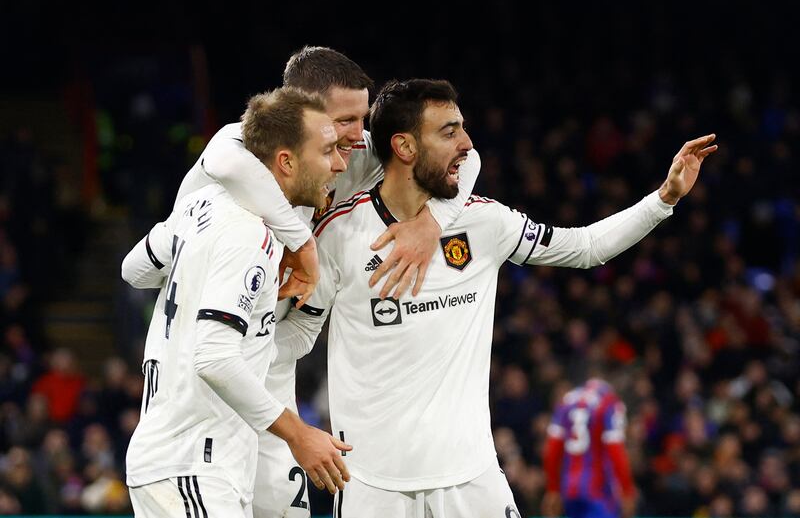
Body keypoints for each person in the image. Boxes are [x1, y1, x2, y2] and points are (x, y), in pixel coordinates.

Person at [274, 78, 717, 517]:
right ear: (405, 148)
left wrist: (665, 198)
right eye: (449, 132)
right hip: (373, 486)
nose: (467, 144)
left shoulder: (486, 223)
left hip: (474, 478)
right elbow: (296, 338)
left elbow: (585, 248)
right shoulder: (339, 235)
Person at [173, 46, 481, 518]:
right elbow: (221, 159)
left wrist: (434, 221)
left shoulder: (354, 153)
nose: (361, 135)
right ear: (301, 109)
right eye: (346, 120)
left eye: (364, 117)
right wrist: (302, 242)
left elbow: (466, 156)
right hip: (211, 352)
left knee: (285, 508)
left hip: (271, 357)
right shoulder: (239, 148)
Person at [120, 88, 351, 518]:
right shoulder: (252, 234)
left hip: (183, 462)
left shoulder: (200, 206)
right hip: (194, 465)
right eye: (327, 152)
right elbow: (213, 358)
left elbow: (134, 270)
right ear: (285, 162)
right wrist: (298, 434)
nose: (339, 164)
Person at [542, 378, 637, 518]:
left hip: (569, 488)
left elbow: (552, 450)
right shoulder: (609, 402)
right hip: (599, 490)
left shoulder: (566, 402)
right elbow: (616, 450)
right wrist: (627, 491)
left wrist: (552, 488)